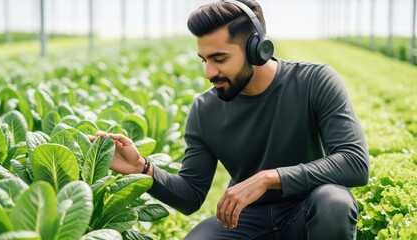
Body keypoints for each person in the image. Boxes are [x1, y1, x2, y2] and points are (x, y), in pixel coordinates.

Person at [90, 0, 370, 239]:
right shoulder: (204, 109)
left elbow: (355, 162)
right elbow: (190, 195)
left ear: (257, 49)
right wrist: (142, 167)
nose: (209, 73)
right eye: (204, 60)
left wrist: (269, 178)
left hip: (309, 210)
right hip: (246, 219)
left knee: (334, 202)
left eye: (219, 59)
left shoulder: (315, 81)